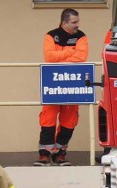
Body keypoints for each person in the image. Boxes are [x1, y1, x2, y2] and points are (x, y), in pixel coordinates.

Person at [34, 8, 88, 166]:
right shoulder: (51, 35)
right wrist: (70, 52)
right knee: (48, 118)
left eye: (78, 22)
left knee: (70, 120)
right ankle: (45, 154)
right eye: (74, 22)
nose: (77, 25)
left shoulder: (81, 36)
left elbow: (81, 57)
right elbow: (49, 57)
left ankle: (60, 153)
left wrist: (62, 56)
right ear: (64, 23)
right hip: (53, 83)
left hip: (73, 83)